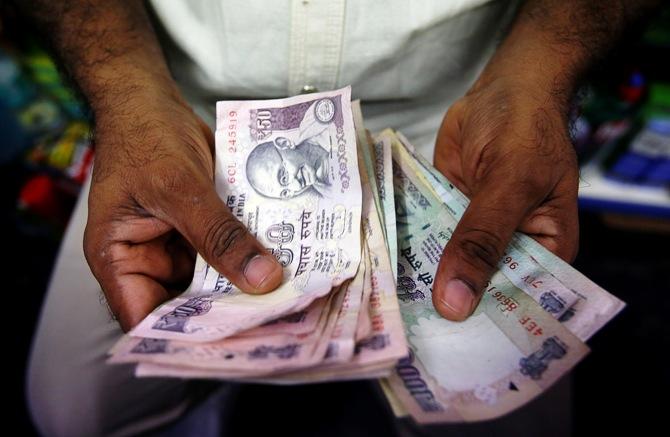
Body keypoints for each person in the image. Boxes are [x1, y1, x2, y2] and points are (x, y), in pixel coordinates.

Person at [17, 0, 658, 435]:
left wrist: (541, 78)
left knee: (500, 410)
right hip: (183, 125)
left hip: (455, 122)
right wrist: (124, 97)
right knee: (74, 413)